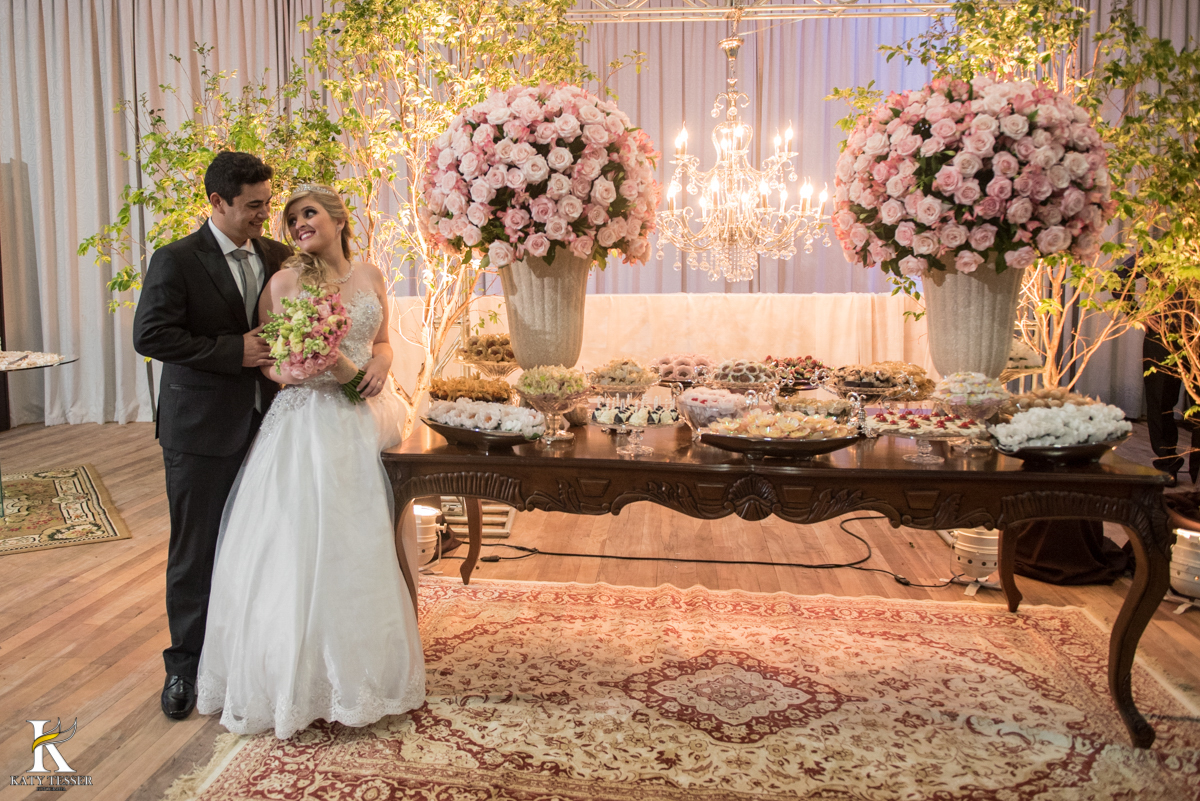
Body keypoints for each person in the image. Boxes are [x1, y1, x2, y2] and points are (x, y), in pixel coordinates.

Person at [195, 183, 424, 739]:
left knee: (366, 544)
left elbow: (383, 341)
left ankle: (365, 671)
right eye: (291, 218)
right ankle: (294, 679)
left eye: (309, 212)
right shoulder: (283, 283)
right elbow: (268, 361)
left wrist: (381, 363)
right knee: (300, 546)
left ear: (338, 219)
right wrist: (293, 371)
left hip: (367, 420)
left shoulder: (369, 275)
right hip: (307, 422)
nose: (298, 223)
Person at [132, 152, 293, 720]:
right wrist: (233, 351)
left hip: (271, 424)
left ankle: (250, 660)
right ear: (217, 202)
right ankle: (184, 667)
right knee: (195, 550)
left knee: (264, 546)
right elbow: (151, 335)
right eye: (252, 205)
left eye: (267, 203)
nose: (264, 215)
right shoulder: (176, 259)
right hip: (199, 429)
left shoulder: (278, 257)